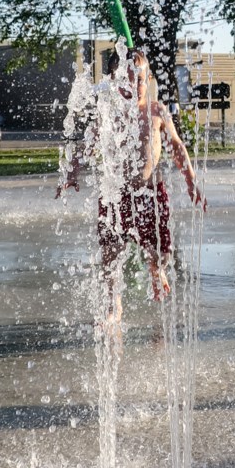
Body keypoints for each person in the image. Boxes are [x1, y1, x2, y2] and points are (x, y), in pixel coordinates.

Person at [58, 47, 205, 302]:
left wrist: (191, 182)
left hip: (150, 194)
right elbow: (85, 146)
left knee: (160, 251)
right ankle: (113, 306)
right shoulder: (107, 113)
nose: (133, 84)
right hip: (115, 195)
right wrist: (71, 173)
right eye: (126, 78)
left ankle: (156, 270)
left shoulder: (156, 111)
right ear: (113, 81)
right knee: (110, 256)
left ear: (147, 80)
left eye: (139, 78)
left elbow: (177, 147)